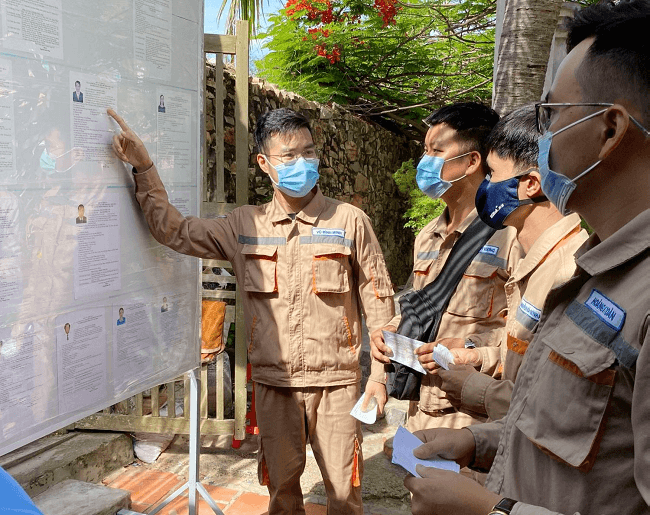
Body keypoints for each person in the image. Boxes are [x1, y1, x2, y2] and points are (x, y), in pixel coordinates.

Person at [405, 0, 650, 515]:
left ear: (610, 129)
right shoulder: (598, 265)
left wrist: (491, 511)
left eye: (554, 113)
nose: (544, 135)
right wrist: (480, 444)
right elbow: (570, 445)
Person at [109, 106, 395, 515]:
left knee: (344, 494)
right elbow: (172, 229)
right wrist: (144, 168)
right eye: (289, 156)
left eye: (308, 152)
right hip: (274, 384)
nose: (303, 163)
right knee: (281, 491)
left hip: (336, 383)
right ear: (264, 163)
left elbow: (379, 302)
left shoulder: (349, 221)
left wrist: (380, 379)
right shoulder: (243, 224)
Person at [423, 105, 587, 421]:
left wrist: (475, 390)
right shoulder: (536, 263)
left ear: (531, 184)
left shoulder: (569, 274)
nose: (486, 185)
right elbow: (524, 357)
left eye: (494, 174)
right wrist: (477, 356)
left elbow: (558, 406)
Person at [371, 103, 522, 436]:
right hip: (419, 412)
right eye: (425, 150)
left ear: (471, 161)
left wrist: (473, 352)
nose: (425, 162)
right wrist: (391, 333)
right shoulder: (427, 235)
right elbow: (424, 305)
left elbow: (527, 339)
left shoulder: (511, 235)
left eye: (436, 151)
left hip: (474, 422)